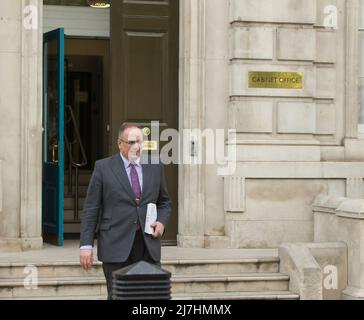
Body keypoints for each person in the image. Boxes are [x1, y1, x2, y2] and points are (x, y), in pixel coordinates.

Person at [79, 123, 171, 300]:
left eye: (140, 142)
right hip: (115, 244)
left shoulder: (155, 166)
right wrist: (86, 246)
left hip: (147, 245)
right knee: (119, 296)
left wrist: (161, 222)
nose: (137, 146)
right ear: (119, 143)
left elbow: (165, 202)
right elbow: (91, 208)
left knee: (151, 297)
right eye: (132, 142)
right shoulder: (103, 168)